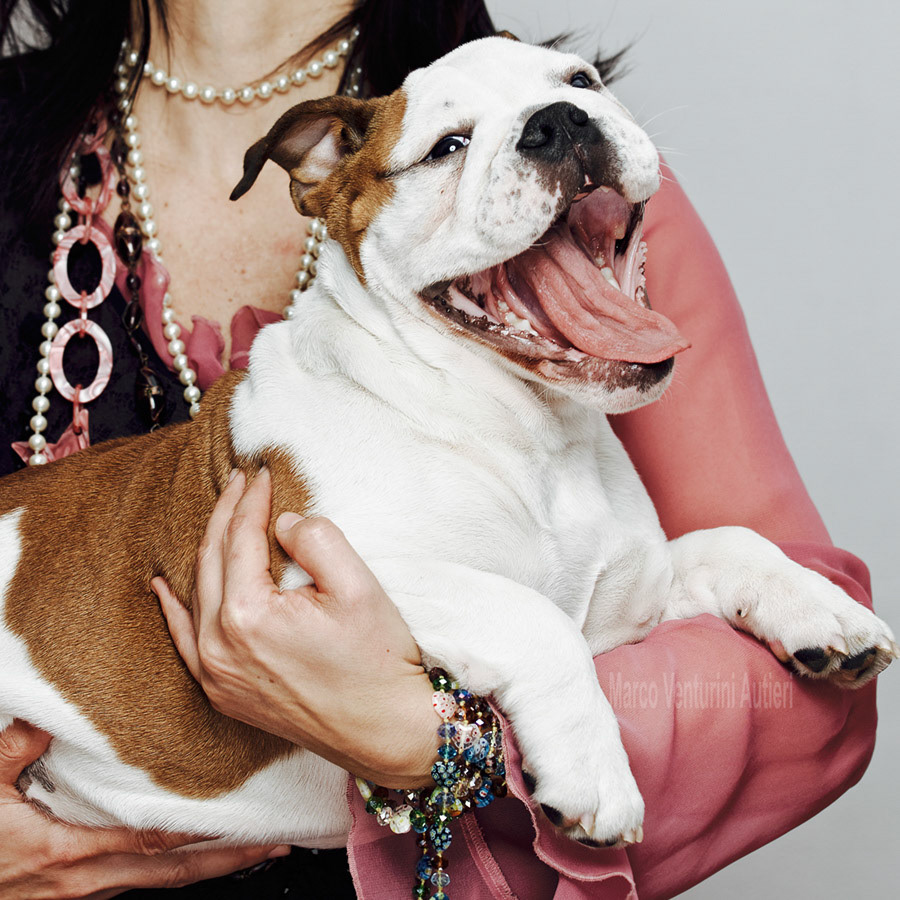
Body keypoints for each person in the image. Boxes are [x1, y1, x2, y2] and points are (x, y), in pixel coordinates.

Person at [0, 0, 880, 898]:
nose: (553, 121)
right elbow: (339, 584)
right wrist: (534, 659)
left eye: (577, 88)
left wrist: (443, 742)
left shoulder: (564, 194)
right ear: (336, 187)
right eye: (447, 147)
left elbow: (793, 710)